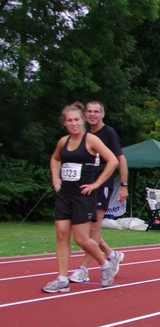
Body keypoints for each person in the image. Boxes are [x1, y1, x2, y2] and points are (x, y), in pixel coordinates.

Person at [43, 103, 119, 293]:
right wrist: (55, 178)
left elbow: (113, 160)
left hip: (83, 196)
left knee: (81, 238)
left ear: (82, 121)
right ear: (65, 123)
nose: (74, 123)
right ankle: (62, 279)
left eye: (76, 119)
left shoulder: (91, 140)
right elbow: (55, 159)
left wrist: (97, 183)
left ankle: (105, 264)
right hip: (65, 194)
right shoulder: (63, 142)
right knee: (61, 234)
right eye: (70, 120)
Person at [69, 100, 128, 285]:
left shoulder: (108, 133)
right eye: (89, 111)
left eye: (96, 111)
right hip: (85, 185)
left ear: (102, 114)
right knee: (85, 229)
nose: (92, 114)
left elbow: (121, 159)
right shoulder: (84, 135)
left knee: (94, 227)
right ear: (85, 114)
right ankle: (112, 254)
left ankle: (84, 268)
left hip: (102, 184)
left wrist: (124, 185)